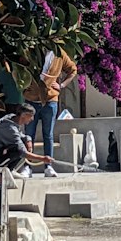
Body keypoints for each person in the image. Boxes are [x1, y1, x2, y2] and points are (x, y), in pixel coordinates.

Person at [24, 47, 77, 178]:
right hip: (32, 99)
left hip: (50, 100)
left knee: (48, 135)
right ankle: (26, 166)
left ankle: (48, 167)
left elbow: (73, 70)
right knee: (28, 135)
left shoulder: (60, 53)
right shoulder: (32, 51)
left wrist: (62, 85)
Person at [0, 103, 54, 175]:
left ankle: (10, 170)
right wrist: (43, 159)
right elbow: (23, 152)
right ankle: (0, 170)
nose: (32, 119)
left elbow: (20, 135)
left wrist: (28, 139)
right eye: (31, 116)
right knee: (18, 150)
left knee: (21, 145)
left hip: (2, 150)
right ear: (23, 115)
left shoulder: (13, 119)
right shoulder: (10, 128)